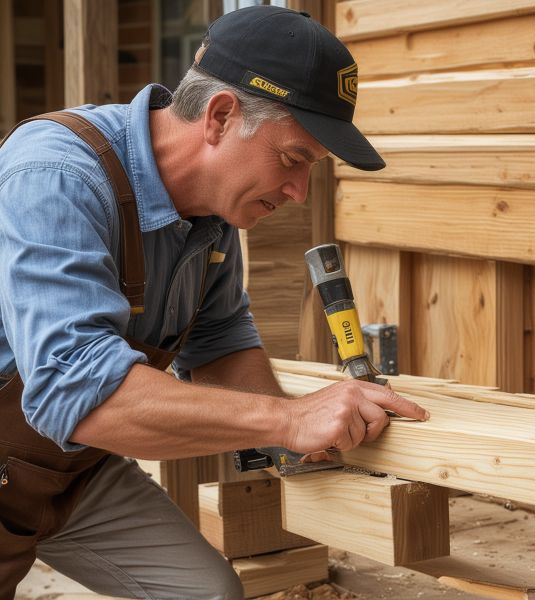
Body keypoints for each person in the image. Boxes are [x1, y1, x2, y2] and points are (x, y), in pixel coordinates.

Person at [0, 5, 427, 599]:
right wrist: (289, 417)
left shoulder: (212, 217)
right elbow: (74, 393)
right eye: (293, 160)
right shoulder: (57, 174)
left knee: (204, 592)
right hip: (38, 442)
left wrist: (296, 439)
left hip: (71, 474)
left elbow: (222, 340)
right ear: (221, 116)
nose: (300, 193)